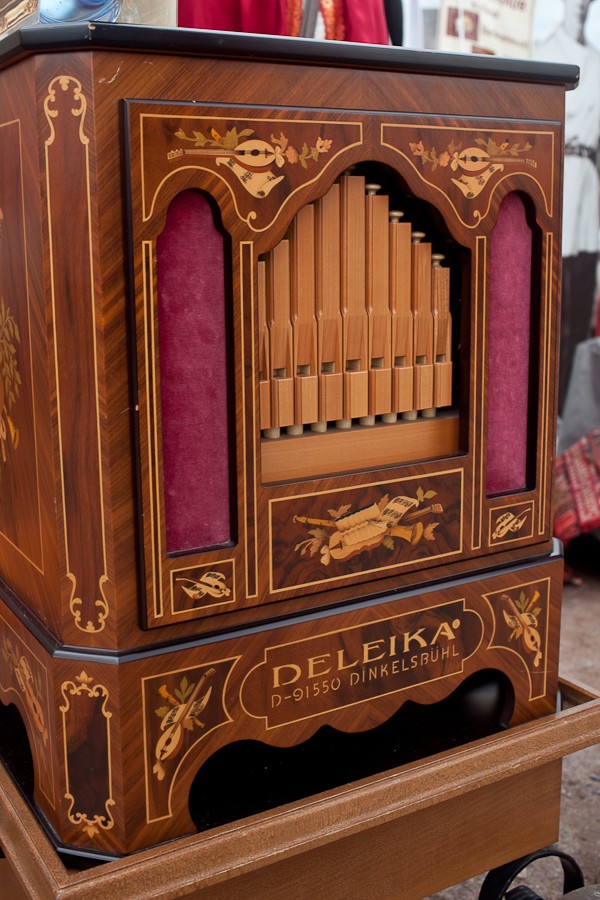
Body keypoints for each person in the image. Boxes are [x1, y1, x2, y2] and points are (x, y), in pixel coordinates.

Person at [534, 0, 600, 412]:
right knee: (552, 300)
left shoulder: (598, 63)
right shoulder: (545, 52)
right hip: (558, 179)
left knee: (581, 299)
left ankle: (569, 408)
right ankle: (545, 401)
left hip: (587, 191)